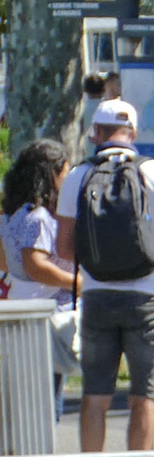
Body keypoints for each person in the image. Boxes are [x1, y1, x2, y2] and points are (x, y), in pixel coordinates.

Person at [57, 100, 154, 452]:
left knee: (95, 395)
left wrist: (97, 262)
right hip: (146, 298)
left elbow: (64, 248)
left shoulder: (77, 177)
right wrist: (152, 254)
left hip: (97, 296)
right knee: (144, 395)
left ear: (95, 133)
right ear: (132, 133)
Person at [3, 139, 79, 415]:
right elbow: (35, 264)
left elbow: (10, 261)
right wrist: (77, 284)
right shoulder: (39, 219)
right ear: (52, 175)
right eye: (65, 173)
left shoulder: (14, 215)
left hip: (22, 312)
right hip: (45, 319)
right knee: (47, 399)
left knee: (26, 395)